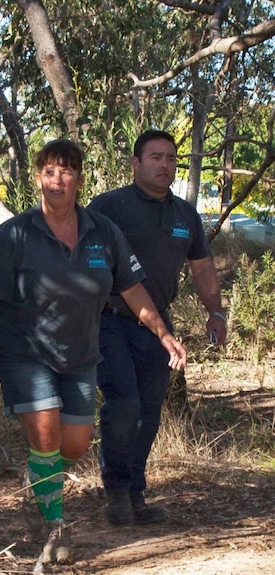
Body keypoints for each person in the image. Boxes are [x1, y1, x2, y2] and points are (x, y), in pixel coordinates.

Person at [0, 140, 187, 567]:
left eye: (67, 172)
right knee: (48, 433)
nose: (58, 180)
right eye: (50, 172)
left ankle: (37, 480)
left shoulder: (102, 232)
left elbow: (132, 288)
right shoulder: (14, 233)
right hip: (22, 350)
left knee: (74, 443)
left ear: (78, 179)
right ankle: (55, 529)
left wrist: (163, 333)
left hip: (79, 353)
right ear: (38, 178)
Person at [87, 130, 227, 526]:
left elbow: (202, 267)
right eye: (155, 157)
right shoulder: (108, 206)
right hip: (108, 320)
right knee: (124, 404)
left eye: (170, 158)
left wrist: (216, 312)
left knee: (149, 412)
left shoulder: (185, 215)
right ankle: (115, 491)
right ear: (135, 163)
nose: (164, 165)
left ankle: (134, 494)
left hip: (157, 325)